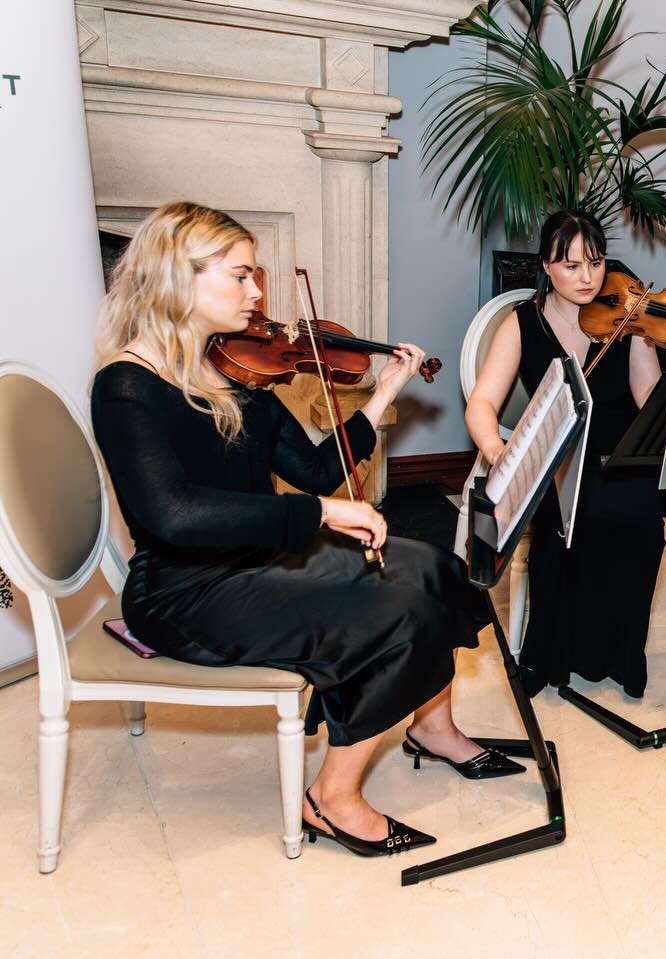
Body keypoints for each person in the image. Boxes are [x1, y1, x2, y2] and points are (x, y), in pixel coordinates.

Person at [90, 201, 522, 860]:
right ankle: (332, 797)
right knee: (393, 609)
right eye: (240, 276)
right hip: (185, 591)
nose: (257, 293)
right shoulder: (127, 385)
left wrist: (384, 394)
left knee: (436, 567)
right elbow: (172, 513)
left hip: (261, 555)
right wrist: (321, 515)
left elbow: (318, 469)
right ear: (179, 274)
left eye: (255, 276)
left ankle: (433, 729)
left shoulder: (232, 370)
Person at [465, 210, 666, 698]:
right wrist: (497, 448)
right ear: (545, 266)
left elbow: (650, 400)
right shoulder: (522, 323)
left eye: (596, 262)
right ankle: (550, 652)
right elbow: (482, 401)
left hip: (618, 454)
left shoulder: (628, 318)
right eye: (571, 266)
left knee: (638, 522)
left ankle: (619, 653)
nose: (587, 277)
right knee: (568, 521)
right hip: (558, 456)